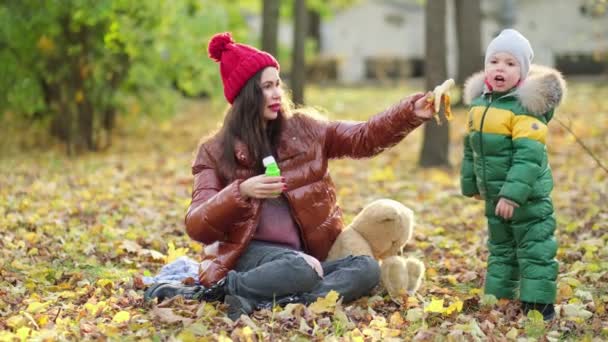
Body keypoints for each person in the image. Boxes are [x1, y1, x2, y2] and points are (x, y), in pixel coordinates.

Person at [145, 32, 434, 320]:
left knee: (366, 268)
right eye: (265, 87)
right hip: (249, 257)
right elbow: (197, 225)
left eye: (277, 84)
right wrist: (241, 191)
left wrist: (410, 112)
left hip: (309, 258)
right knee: (300, 267)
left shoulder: (306, 129)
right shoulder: (214, 151)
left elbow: (364, 137)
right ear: (246, 95)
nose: (276, 94)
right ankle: (220, 290)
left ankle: (273, 300)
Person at [460, 29, 566, 321]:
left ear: (522, 73)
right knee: (501, 247)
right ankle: (499, 297)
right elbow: (471, 148)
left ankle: (539, 305)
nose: (500, 68)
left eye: (510, 63)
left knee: (534, 247)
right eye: (494, 61)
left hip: (527, 198)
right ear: (485, 67)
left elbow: (528, 158)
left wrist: (512, 194)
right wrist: (471, 183)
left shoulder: (524, 109)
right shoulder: (480, 105)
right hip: (495, 195)